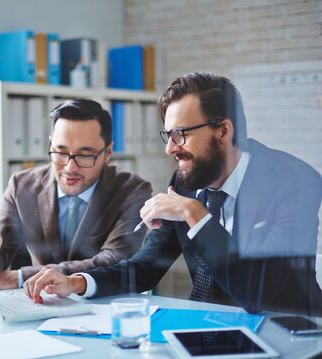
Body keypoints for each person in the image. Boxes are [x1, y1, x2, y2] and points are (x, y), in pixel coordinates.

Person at [24, 72, 322, 315]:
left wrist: (196, 216)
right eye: (168, 135)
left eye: (181, 134)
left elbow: (260, 293)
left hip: (292, 333)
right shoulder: (186, 183)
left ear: (223, 131)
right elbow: (145, 268)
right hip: (207, 329)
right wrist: (76, 283)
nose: (170, 148)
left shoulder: (295, 182)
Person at [0, 98, 152, 290]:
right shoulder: (21, 185)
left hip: (103, 305)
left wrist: (23, 277)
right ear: (50, 145)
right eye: (60, 152)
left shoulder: (133, 191)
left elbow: (115, 260)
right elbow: (1, 255)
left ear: (107, 153)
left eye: (84, 155)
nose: (69, 167)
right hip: (38, 304)